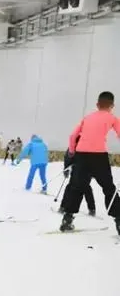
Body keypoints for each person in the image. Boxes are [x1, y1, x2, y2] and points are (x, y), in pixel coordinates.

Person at [60, 91, 120, 233]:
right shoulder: (112, 118)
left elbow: (73, 136)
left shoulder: (87, 118)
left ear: (97, 105)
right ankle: (119, 220)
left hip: (81, 156)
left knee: (76, 187)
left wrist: (72, 152)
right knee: (108, 188)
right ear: (112, 105)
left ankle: (67, 219)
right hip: (99, 156)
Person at [59, 136, 95, 216]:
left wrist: (66, 168)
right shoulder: (90, 144)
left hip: (81, 171)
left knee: (73, 188)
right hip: (82, 171)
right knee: (85, 188)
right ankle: (92, 209)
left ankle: (63, 207)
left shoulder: (76, 144)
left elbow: (68, 157)